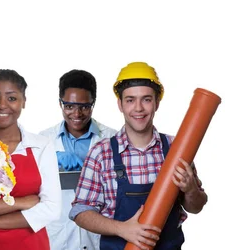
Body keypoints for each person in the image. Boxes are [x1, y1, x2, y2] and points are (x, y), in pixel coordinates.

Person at [69, 62, 208, 250]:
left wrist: (191, 190)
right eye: (130, 100)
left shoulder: (178, 148)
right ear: (120, 104)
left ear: (157, 103)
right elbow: (80, 211)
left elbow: (195, 207)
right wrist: (123, 229)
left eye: (146, 99)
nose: (138, 108)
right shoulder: (101, 153)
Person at [0, 69, 62, 250]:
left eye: (11, 98)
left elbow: (52, 208)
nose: (2, 105)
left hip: (32, 245)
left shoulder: (41, 146)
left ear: (23, 101)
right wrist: (21, 202)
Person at [39, 69, 117, 250]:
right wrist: (50, 162)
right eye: (69, 106)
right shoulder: (43, 141)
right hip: (58, 236)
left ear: (93, 103)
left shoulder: (112, 139)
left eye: (84, 106)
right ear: (60, 103)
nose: (76, 113)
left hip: (99, 235)